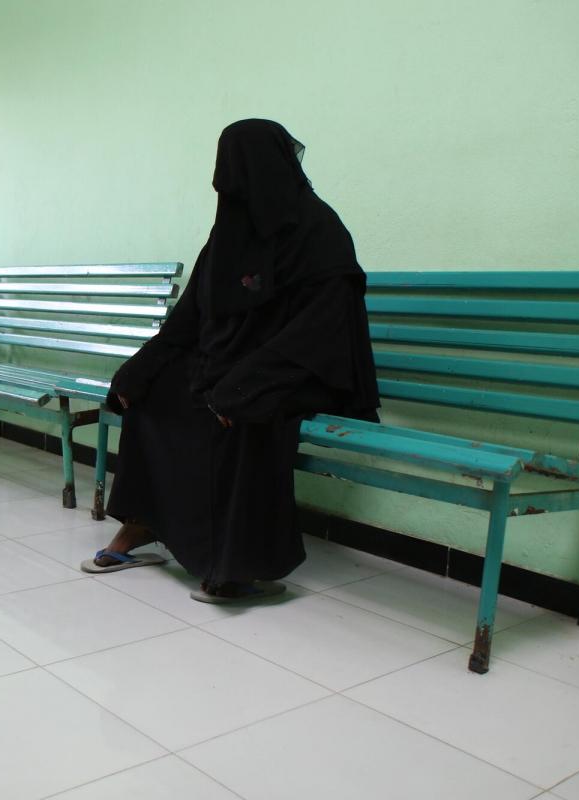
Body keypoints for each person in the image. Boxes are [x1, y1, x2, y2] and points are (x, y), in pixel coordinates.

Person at [80, 119, 379, 604]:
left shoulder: (318, 230)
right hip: (240, 367)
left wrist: (248, 384)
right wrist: (139, 368)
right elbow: (190, 317)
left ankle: (238, 566)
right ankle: (142, 526)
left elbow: (320, 332)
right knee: (153, 393)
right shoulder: (231, 231)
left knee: (246, 413)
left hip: (305, 369)